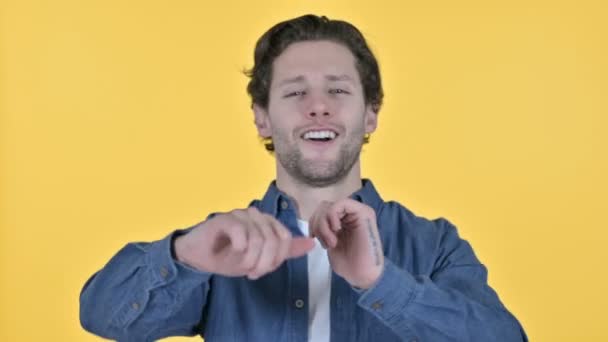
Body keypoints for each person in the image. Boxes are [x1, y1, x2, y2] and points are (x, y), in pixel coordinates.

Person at [80, 14, 528, 342]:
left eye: (338, 89)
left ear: (371, 114)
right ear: (262, 118)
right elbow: (105, 317)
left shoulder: (434, 245)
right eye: (295, 91)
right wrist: (185, 255)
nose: (318, 106)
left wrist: (382, 284)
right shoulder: (222, 245)